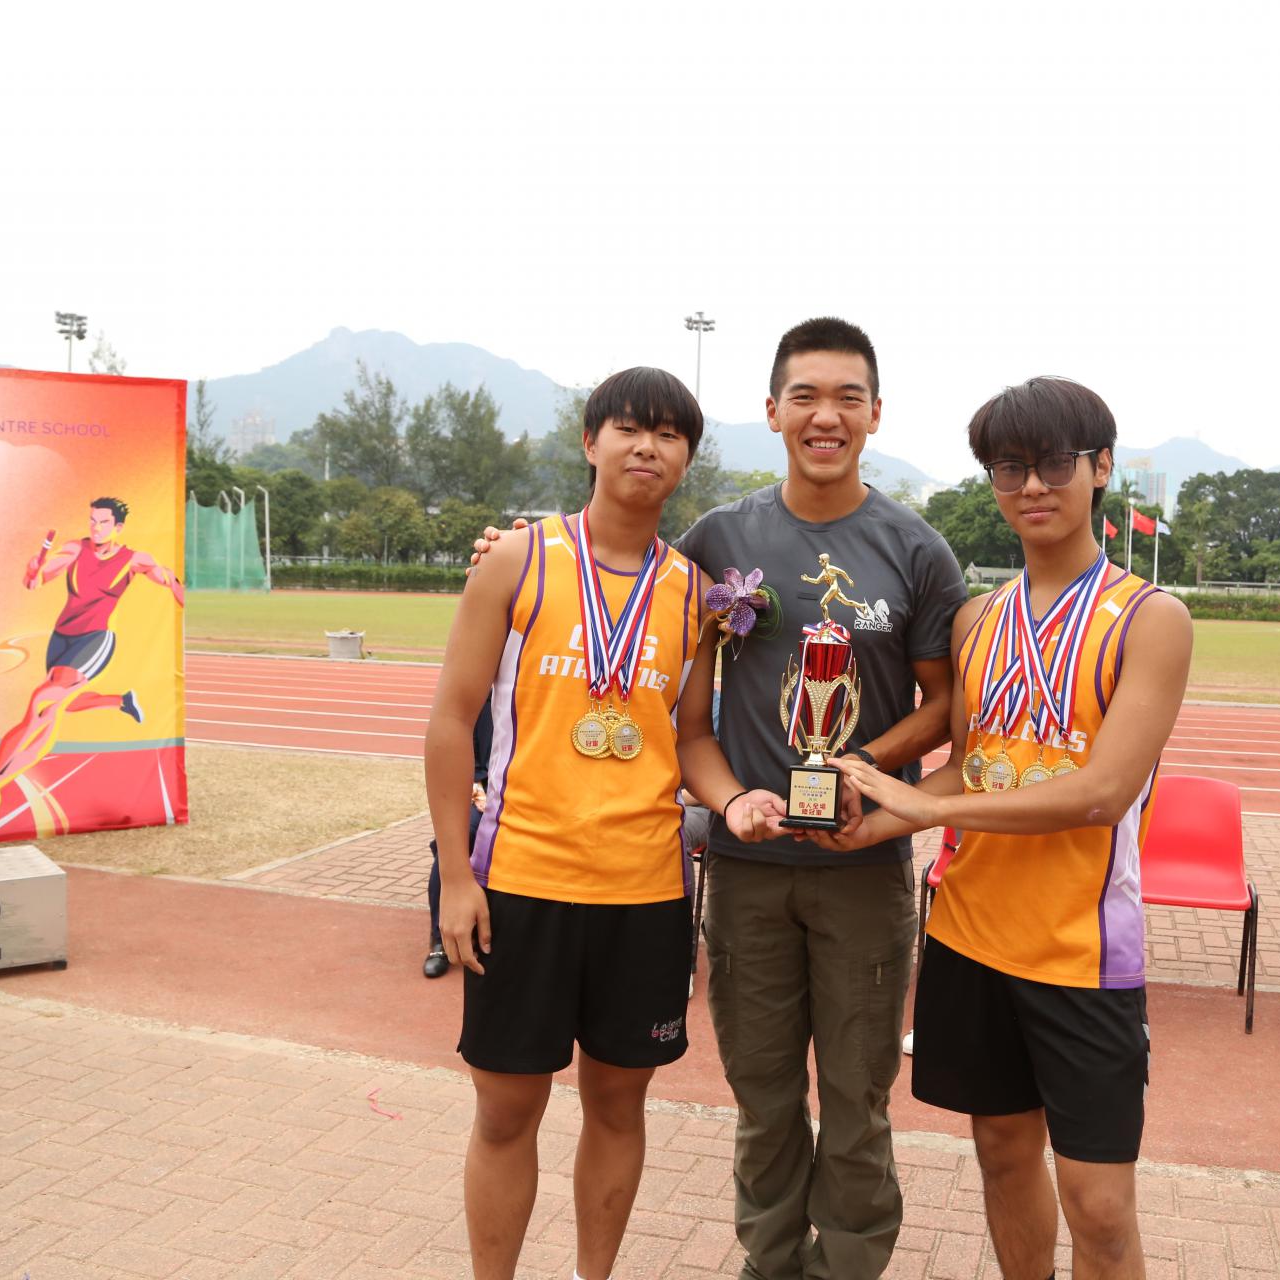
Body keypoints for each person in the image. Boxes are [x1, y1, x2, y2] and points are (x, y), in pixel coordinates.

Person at [476, 318, 968, 1279]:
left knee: (857, 1094)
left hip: (862, 865)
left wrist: (862, 769)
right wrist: (508, 548)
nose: (826, 416)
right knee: (764, 1092)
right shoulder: (719, 540)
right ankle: (770, 1262)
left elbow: (945, 704)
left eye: (848, 398)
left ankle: (847, 1266)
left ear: (875, 413)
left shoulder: (916, 548)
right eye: (806, 396)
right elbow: (619, 561)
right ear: (773, 410)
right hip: (746, 869)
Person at [827, 376, 1192, 1280]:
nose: (1031, 485)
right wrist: (877, 819)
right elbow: (970, 763)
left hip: (1081, 953)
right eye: (1008, 467)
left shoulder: (1152, 619)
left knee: (1100, 1209)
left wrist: (933, 810)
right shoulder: (977, 618)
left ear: (1101, 468)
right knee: (1000, 1155)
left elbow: (1104, 792)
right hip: (971, 935)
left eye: (1054, 464)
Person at [424, 367, 781, 1280]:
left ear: (686, 459)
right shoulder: (518, 561)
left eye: (670, 435)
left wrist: (732, 799)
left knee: (619, 1109)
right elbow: (451, 720)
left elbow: (690, 736)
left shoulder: (694, 594)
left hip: (645, 894)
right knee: (507, 1112)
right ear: (591, 442)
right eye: (628, 428)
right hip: (521, 884)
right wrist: (457, 877)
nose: (647, 447)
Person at [0, 497, 185, 841]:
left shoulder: (135, 559)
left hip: (96, 640)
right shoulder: (75, 549)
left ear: (118, 527)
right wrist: (33, 572)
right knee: (59, 707)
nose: (96, 528)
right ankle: (121, 701)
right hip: (61, 639)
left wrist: (181, 594)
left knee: (43, 702)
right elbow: (38, 580)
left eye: (103, 522)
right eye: (92, 521)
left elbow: (168, 580)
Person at [424, 697, 493, 978]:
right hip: (481, 790)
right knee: (460, 838)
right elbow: (460, 749)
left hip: (522, 793)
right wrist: (478, 791)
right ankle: (438, 941)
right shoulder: (479, 695)